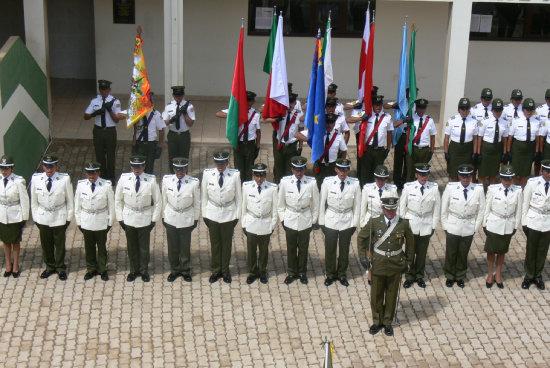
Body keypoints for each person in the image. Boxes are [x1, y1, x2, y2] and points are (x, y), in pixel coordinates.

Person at [357, 197, 414, 337]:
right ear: (383, 209)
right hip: (378, 264)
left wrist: (408, 262)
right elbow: (361, 237)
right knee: (376, 294)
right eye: (388, 209)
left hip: (395, 263)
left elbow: (411, 244)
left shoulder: (403, 224)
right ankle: (377, 321)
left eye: (393, 209)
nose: (390, 212)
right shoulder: (375, 222)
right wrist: (363, 256)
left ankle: (388, 322)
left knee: (391, 294)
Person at [115, 155, 161, 282]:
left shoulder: (150, 180)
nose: (137, 169)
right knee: (132, 246)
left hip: (144, 217)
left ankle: (144, 270)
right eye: (134, 166)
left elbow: (158, 201)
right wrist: (120, 218)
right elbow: (118, 200)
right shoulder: (124, 179)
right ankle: (133, 270)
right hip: (129, 217)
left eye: (139, 166)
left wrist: (154, 219)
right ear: (131, 166)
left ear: (144, 166)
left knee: (144, 247)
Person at [440, 164, 485, 288]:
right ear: (459, 176)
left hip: (469, 225)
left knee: (463, 252)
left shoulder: (478, 189)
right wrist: (445, 226)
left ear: (471, 176)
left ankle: (460, 275)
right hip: (453, 224)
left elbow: (482, 210)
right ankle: (449, 275)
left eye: (468, 176)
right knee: (451, 252)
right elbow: (443, 209)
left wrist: (476, 227)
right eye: (463, 176)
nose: (465, 179)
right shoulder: (451, 188)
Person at [30, 155, 74, 280]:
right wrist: (36, 218)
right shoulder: (36, 179)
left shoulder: (64, 179)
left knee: (59, 244)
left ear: (56, 166)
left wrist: (68, 218)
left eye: (52, 166)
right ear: (43, 167)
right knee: (46, 244)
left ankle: (60, 267)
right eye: (47, 167)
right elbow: (34, 201)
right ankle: (49, 266)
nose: (49, 169)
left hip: (59, 216)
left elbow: (70, 201)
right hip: (43, 216)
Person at [318, 158, 360, 287]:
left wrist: (354, 223)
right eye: (341, 169)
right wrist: (321, 222)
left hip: (346, 220)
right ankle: (330, 274)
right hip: (331, 219)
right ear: (336, 169)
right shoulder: (328, 182)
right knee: (330, 249)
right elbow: (322, 202)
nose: (343, 172)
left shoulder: (355, 184)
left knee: (344, 249)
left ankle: (342, 274)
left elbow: (357, 206)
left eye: (346, 169)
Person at [278, 156, 319, 285]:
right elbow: (280, 204)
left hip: (305, 218)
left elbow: (316, 204)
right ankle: (291, 272)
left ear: (305, 169)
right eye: (296, 170)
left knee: (303, 248)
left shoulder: (311, 183)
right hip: (290, 218)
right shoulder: (285, 182)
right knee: (290, 247)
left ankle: (302, 272)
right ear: (292, 169)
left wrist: (313, 220)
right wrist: (283, 219)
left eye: (301, 170)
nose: (299, 173)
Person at [201, 151, 241, 284]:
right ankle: (215, 270)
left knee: (226, 244)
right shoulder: (208, 174)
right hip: (212, 213)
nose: (220, 166)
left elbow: (238, 197)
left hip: (229, 213)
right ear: (214, 163)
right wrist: (205, 214)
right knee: (215, 244)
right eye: (218, 163)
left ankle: (225, 270)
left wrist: (237, 216)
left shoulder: (234, 175)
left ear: (227, 163)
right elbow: (204, 196)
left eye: (223, 163)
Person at [399, 163, 440, 288]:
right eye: (421, 174)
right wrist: (403, 223)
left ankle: (419, 275)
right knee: (410, 252)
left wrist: (433, 225)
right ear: (416, 175)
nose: (424, 177)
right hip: (412, 223)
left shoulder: (433, 188)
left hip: (426, 223)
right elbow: (402, 206)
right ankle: (410, 275)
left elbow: (437, 208)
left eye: (426, 174)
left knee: (422, 253)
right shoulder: (409, 187)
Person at [74, 161, 115, 281]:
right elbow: (78, 205)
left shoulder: (106, 185)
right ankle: (91, 268)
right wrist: (79, 222)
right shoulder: (81, 185)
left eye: (94, 173)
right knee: (89, 246)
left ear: (99, 173)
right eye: (89, 173)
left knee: (102, 247)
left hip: (101, 220)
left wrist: (110, 222)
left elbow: (111, 206)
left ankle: (102, 269)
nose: (91, 176)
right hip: (87, 220)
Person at [482, 165, 522, 289]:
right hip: (494, 222)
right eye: (505, 178)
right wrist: (485, 223)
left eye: (509, 179)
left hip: (507, 224)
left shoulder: (517, 191)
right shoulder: (493, 189)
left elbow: (518, 210)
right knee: (491, 251)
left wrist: (515, 225)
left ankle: (498, 274)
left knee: (502, 251)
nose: (506, 181)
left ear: (512, 179)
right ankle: (490, 274)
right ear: (501, 178)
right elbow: (487, 206)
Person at [358, 165, 398, 284]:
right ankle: (371, 276)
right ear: (375, 178)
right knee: (370, 251)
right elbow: (362, 207)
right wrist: (362, 223)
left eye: (383, 179)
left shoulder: (392, 190)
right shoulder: (367, 189)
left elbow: (395, 208)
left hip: (385, 221)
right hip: (371, 220)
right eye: (378, 179)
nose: (380, 182)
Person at [162, 158, 200, 282]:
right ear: (174, 169)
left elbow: (197, 202)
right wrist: (163, 216)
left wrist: (195, 219)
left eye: (182, 169)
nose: (180, 171)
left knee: (184, 246)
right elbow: (164, 200)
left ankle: (185, 270)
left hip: (186, 217)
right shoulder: (167, 181)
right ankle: (174, 269)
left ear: (186, 169)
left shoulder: (193, 183)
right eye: (177, 169)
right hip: (171, 217)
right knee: (172, 246)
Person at [241, 163, 278, 284]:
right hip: (251, 222)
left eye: (261, 176)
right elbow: (243, 207)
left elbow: (274, 208)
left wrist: (272, 225)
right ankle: (252, 271)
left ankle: (262, 271)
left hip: (265, 222)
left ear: (265, 175)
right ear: (253, 175)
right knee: (251, 250)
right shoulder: (247, 187)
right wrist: (244, 224)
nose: (259, 179)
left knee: (263, 250)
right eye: (257, 176)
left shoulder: (272, 188)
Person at [84, 80, 124, 182]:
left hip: (110, 131)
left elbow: (116, 120)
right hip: (98, 130)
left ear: (109, 90)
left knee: (111, 154)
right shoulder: (95, 101)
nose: (103, 92)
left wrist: (109, 110)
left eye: (105, 89)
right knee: (99, 154)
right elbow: (86, 116)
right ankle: (101, 175)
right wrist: (95, 113)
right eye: (101, 89)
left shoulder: (115, 101)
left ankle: (111, 176)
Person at [295, 113, 347, 190]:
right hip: (319, 166)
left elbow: (344, 151)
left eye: (331, 123)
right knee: (318, 188)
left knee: (332, 190)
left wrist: (340, 165)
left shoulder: (338, 136)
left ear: (334, 123)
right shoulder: (317, 133)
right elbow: (296, 134)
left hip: (332, 166)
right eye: (327, 122)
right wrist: (308, 139)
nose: (329, 125)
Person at [520, 159, 550, 290]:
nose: (549, 174)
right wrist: (524, 222)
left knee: (542, 251)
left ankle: (538, 276)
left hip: (547, 221)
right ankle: (529, 276)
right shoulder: (533, 183)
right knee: (531, 250)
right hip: (533, 219)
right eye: (547, 171)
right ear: (542, 171)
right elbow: (525, 202)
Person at [263, 93, 304, 183]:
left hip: (292, 144)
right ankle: (278, 186)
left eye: (292, 103)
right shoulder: (280, 112)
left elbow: (301, 131)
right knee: (278, 167)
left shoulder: (299, 114)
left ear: (294, 103)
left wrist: (300, 147)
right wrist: (274, 120)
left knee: (290, 169)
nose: (290, 105)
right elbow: (263, 119)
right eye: (288, 102)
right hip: (280, 144)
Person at [0, 156, 29, 278]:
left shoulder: (18, 181)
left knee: (15, 241)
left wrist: (24, 218)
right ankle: (8, 265)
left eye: (7, 168)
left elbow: (24, 200)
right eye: (2, 168)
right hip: (2, 215)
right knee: (6, 241)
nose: (4, 171)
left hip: (15, 214)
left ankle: (16, 265)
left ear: (12, 168)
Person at [357, 95, 393, 187]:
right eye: (376, 105)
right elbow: (352, 122)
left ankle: (376, 190)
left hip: (380, 149)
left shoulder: (387, 117)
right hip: (368, 148)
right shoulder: (367, 115)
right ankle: (364, 189)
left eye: (379, 105)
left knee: (377, 172)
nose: (378, 107)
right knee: (366, 171)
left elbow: (389, 133)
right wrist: (361, 118)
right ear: (372, 105)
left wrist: (388, 148)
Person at [507, 98, 544, 188]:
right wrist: (508, 151)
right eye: (527, 109)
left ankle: (523, 190)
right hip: (517, 148)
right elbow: (510, 138)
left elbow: (538, 138)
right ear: (523, 109)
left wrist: (537, 151)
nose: (529, 112)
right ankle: (513, 191)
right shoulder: (516, 120)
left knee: (525, 173)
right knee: (515, 172)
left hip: (529, 149)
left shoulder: (536, 122)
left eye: (531, 110)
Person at [476, 98, 509, 188]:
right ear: (492, 110)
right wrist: (478, 153)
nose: (498, 113)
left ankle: (491, 191)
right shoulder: (485, 121)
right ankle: (481, 192)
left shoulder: (504, 122)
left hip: (497, 149)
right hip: (486, 148)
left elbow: (505, 139)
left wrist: (505, 152)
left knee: (493, 173)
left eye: (500, 110)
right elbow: (480, 137)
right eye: (496, 110)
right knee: (482, 173)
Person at [444, 98, 478, 182]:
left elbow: (475, 138)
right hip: (455, 149)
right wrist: (446, 152)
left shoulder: (474, 121)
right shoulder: (452, 120)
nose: (465, 111)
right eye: (463, 109)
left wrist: (475, 153)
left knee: (465, 174)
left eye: (467, 109)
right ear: (459, 109)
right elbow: (446, 138)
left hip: (467, 149)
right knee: (453, 173)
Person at [403, 99, 437, 182]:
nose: (421, 110)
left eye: (423, 108)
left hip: (424, 150)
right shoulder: (411, 118)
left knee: (422, 172)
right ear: (416, 108)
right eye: (419, 108)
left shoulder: (430, 120)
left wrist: (431, 150)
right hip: (413, 148)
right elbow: (404, 131)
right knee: (410, 171)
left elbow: (432, 136)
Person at [162, 86, 196, 170]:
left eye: (180, 96)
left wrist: (185, 114)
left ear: (183, 95)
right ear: (173, 95)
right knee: (172, 158)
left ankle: (184, 175)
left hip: (184, 135)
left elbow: (191, 123)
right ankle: (173, 175)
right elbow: (163, 122)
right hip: (173, 134)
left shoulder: (189, 106)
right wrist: (171, 120)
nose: (178, 98)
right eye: (176, 96)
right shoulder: (169, 106)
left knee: (184, 158)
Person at [132, 94, 165, 174]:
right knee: (138, 165)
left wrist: (160, 145)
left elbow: (161, 130)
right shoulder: (137, 113)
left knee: (149, 167)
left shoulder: (156, 114)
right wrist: (134, 142)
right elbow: (135, 128)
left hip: (150, 143)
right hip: (140, 143)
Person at [234, 91, 261, 182]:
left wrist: (258, 144)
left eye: (250, 100)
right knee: (238, 168)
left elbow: (258, 131)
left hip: (250, 143)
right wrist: (232, 114)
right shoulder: (237, 111)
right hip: (239, 142)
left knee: (249, 167)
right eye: (246, 100)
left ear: (253, 101)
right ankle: (239, 186)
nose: (248, 102)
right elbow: (219, 113)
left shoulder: (256, 114)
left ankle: (247, 185)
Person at [537, 89, 550, 160]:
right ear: (545, 99)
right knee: (538, 159)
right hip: (540, 137)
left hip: (549, 137)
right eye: (548, 98)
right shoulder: (539, 109)